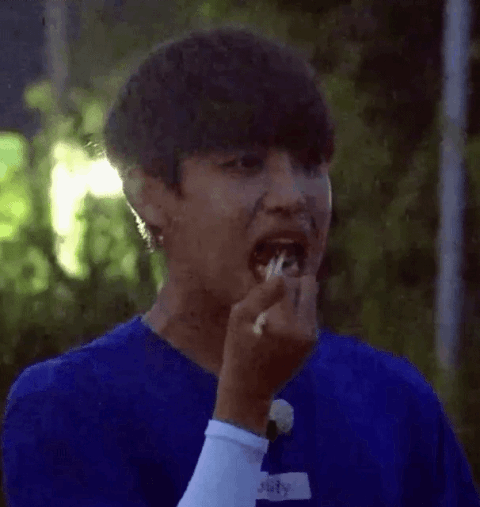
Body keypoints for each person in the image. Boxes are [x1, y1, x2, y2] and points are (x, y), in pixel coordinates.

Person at [1, 23, 479, 507]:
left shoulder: (394, 400)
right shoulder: (67, 407)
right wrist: (243, 409)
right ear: (149, 195)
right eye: (246, 164)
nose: (292, 197)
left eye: (310, 164)